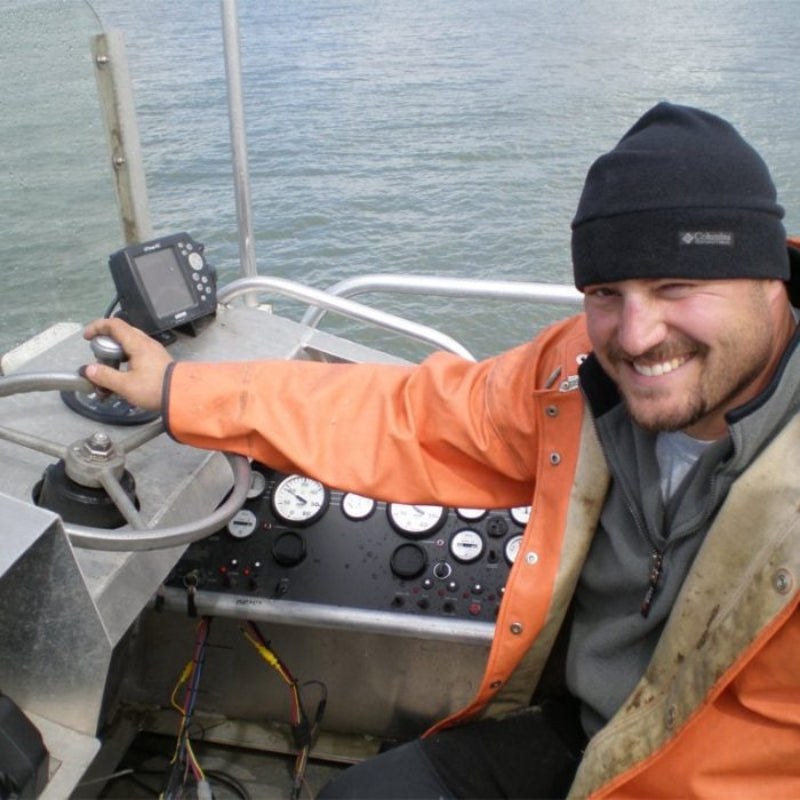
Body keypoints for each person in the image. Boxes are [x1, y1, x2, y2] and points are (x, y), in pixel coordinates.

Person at [83, 103, 800, 798]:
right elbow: (411, 417)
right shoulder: (579, 374)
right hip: (589, 737)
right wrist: (182, 391)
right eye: (607, 291)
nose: (637, 336)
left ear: (769, 279)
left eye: (678, 286)